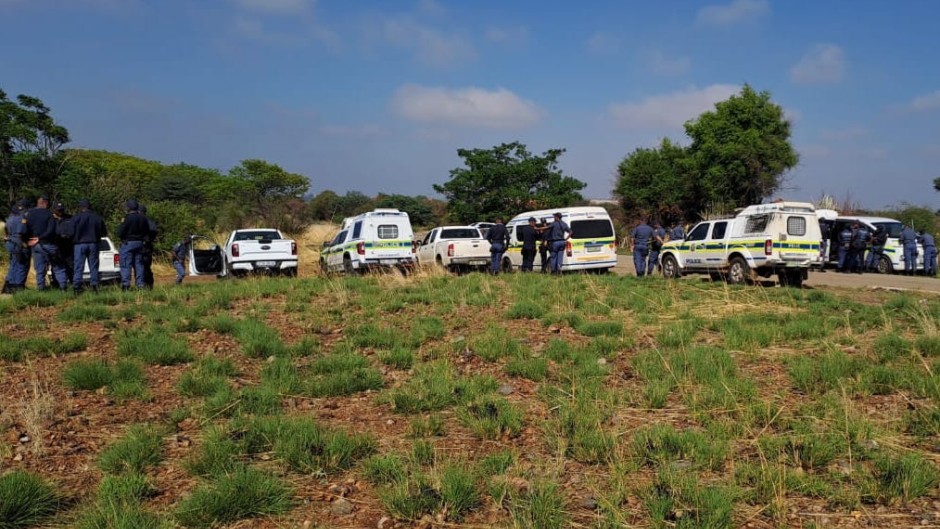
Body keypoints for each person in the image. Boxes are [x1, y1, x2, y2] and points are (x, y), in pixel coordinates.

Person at [23, 195, 69, 291]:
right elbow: (51, 230)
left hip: (35, 245)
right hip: (49, 244)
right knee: (58, 266)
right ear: (45, 202)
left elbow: (24, 229)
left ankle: (41, 288)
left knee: (40, 268)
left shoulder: (28, 214)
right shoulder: (49, 214)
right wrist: (40, 238)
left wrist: (27, 241)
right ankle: (63, 288)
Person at [71, 199, 108, 293]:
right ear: (90, 207)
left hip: (79, 244)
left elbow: (70, 232)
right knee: (94, 266)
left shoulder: (76, 218)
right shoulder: (97, 218)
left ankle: (77, 287)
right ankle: (95, 286)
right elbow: (104, 232)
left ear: (80, 207)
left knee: (78, 266)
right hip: (93, 243)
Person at [117, 199, 150, 290]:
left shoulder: (127, 218)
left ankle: (126, 285)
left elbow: (120, 232)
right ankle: (140, 284)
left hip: (128, 243)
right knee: (139, 264)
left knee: (126, 264)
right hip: (139, 243)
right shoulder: (143, 218)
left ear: (129, 207)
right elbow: (147, 231)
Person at [3, 200, 31, 294]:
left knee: (13, 264)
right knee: (22, 265)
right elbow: (22, 231)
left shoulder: (10, 217)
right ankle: (18, 287)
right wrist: (24, 243)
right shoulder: (23, 217)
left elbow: (5, 229)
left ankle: (8, 286)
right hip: (19, 242)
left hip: (10, 242)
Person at [52, 202, 75, 289]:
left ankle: (73, 283)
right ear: (54, 210)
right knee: (56, 266)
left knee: (70, 266)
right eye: (58, 210)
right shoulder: (51, 219)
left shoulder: (70, 218)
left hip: (68, 246)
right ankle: (57, 285)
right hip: (56, 246)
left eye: (61, 210)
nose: (60, 212)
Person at [139, 204, 159, 289]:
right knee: (147, 266)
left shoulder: (140, 220)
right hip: (148, 245)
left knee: (140, 265)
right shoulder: (151, 221)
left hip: (142, 246)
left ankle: (143, 284)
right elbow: (154, 231)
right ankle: (149, 284)